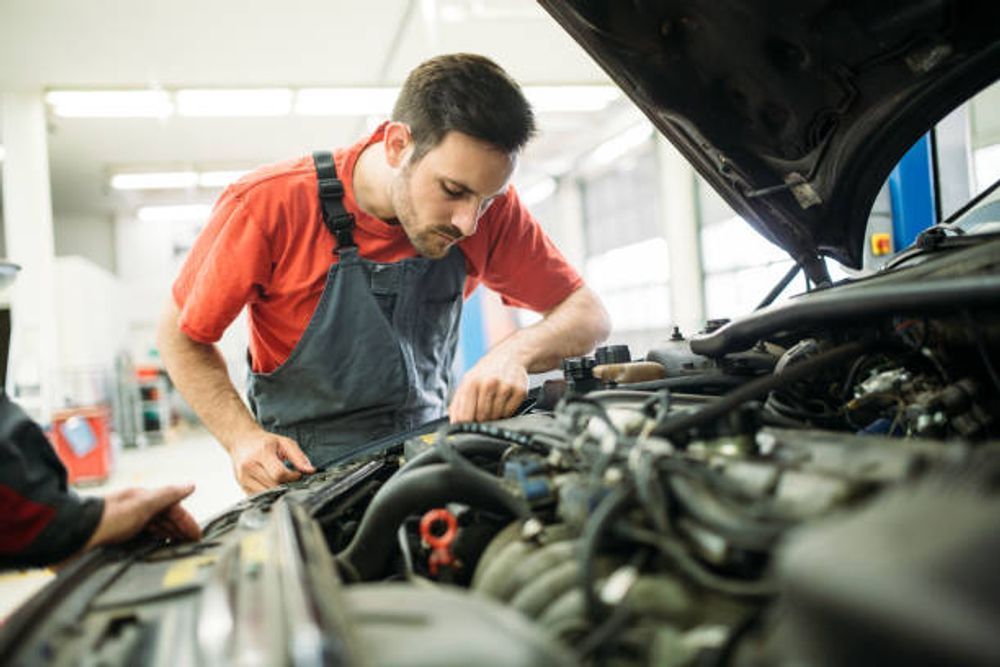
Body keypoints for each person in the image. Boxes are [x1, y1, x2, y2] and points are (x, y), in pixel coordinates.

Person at [158, 53, 611, 494]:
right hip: (305, 476)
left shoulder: (489, 214)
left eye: (487, 200)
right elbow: (181, 336)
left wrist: (513, 354)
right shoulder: (267, 205)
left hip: (432, 447)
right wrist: (242, 438)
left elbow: (588, 314)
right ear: (397, 145)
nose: (468, 223)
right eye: (453, 190)